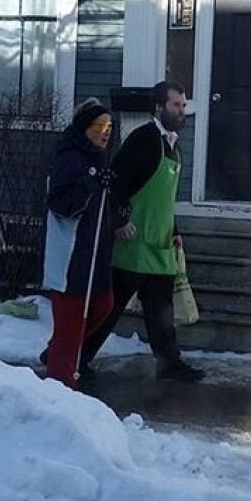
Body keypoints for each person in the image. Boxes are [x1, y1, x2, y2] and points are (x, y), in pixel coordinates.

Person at [80, 80, 204, 382]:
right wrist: (120, 220)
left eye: (184, 105)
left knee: (161, 311)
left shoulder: (173, 147)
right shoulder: (144, 139)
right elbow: (117, 184)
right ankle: (76, 355)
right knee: (110, 307)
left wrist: (174, 229)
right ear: (160, 107)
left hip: (159, 244)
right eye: (176, 105)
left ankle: (169, 364)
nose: (181, 111)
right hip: (133, 243)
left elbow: (165, 198)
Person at [42, 98, 114, 390]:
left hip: (94, 254)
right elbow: (60, 204)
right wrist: (89, 187)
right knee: (70, 325)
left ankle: (57, 353)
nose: (105, 132)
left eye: (109, 126)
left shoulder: (95, 159)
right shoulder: (70, 159)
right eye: (99, 126)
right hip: (71, 257)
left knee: (104, 303)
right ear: (85, 128)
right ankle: (58, 389)